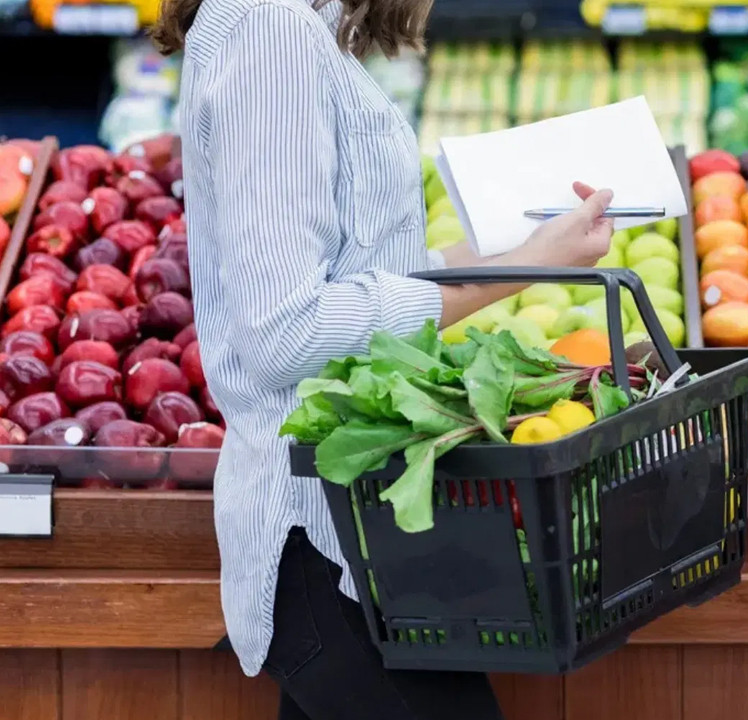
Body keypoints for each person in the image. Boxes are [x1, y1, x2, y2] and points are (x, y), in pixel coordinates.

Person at [151, 0, 616, 716]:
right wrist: (519, 269)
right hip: (321, 536)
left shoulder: (294, 27)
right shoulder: (272, 29)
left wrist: (529, 254)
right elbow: (288, 332)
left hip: (365, 537)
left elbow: (364, 272)